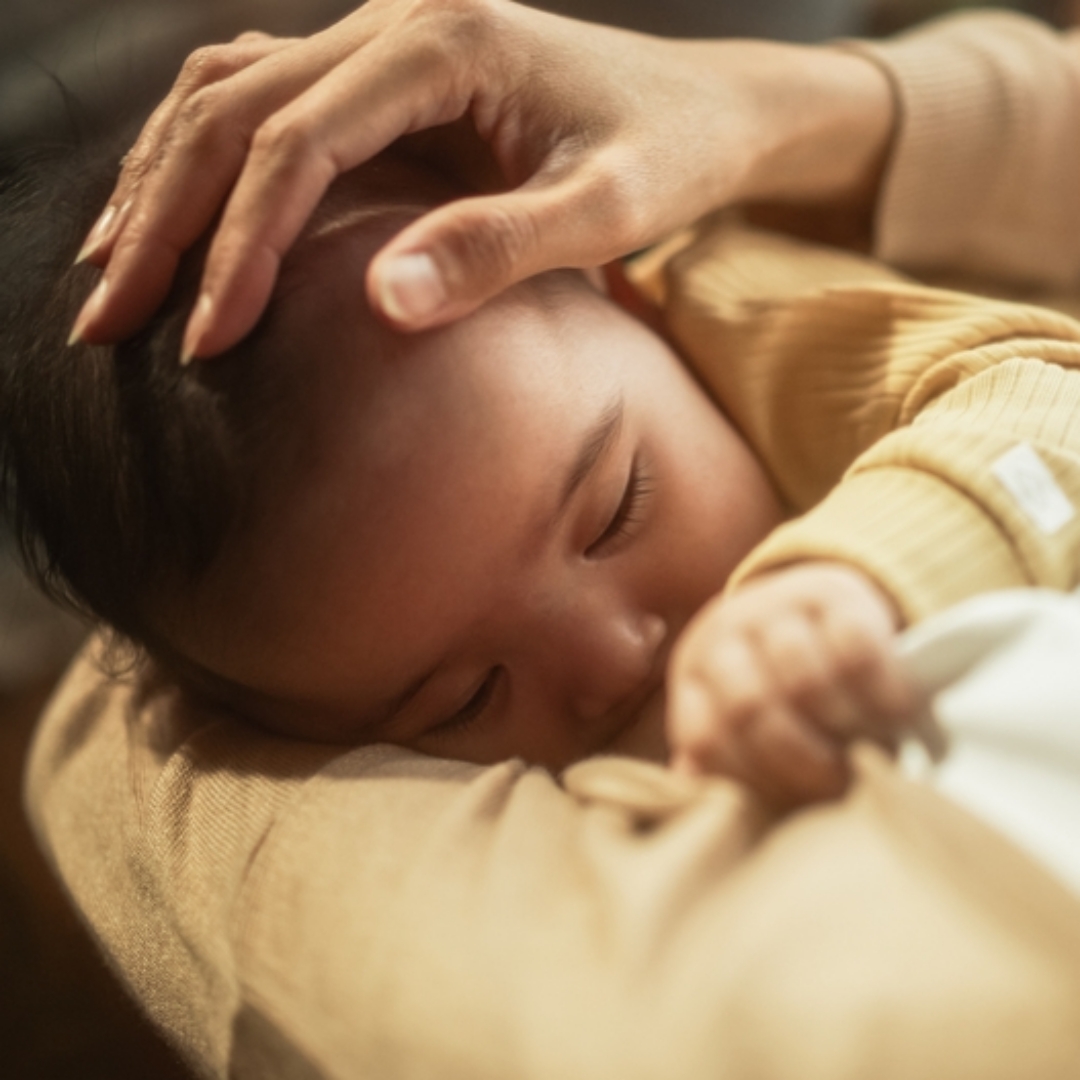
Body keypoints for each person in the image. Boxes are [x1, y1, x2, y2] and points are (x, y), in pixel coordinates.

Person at [18, 6, 1080, 1078]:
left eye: (617, 508)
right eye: (468, 698)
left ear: (617, 285)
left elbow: (1042, 398)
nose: (618, 657)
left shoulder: (728, 302)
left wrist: (842, 577)